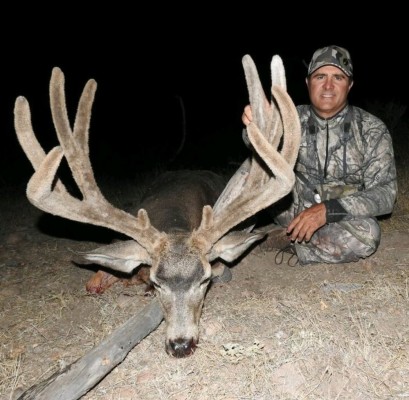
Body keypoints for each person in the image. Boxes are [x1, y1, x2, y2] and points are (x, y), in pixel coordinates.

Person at [242, 45, 398, 266]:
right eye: (320, 76)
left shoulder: (372, 129)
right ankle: (239, 235)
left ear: (350, 85)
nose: (328, 85)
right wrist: (254, 126)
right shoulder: (290, 117)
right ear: (308, 83)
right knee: (250, 173)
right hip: (288, 208)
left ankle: (284, 240)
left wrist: (327, 211)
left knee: (367, 236)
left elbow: (385, 193)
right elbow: (258, 143)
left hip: (338, 216)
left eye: (338, 77)